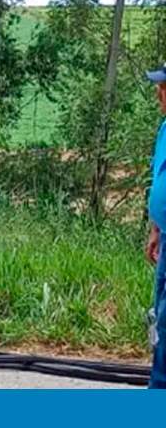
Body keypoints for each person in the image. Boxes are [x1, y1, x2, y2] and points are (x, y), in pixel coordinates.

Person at [145, 62, 166, 389]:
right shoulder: (165, 128)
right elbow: (159, 176)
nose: (157, 92)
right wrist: (155, 228)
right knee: (160, 315)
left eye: (163, 86)